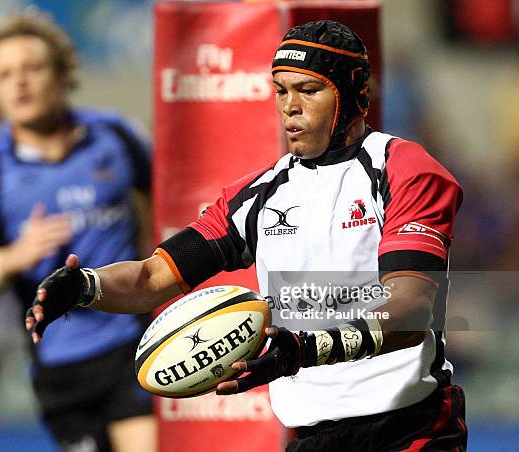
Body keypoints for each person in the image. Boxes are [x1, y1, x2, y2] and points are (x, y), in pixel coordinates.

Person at [26, 20, 467, 451]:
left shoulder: (405, 169)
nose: (289, 107)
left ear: (354, 92)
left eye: (308, 90)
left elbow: (409, 311)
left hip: (413, 430)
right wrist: (86, 286)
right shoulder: (253, 198)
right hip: (313, 436)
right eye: (280, 91)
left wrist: (302, 350)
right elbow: (151, 279)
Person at [0, 10, 156, 452]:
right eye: (5, 75)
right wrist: (13, 256)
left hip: (131, 347)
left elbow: (172, 201)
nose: (20, 82)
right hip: (59, 367)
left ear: (62, 73)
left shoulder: (117, 137)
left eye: (32, 68)